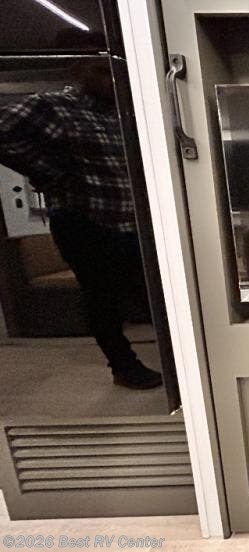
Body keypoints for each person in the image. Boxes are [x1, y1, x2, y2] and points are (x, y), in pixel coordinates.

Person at [0, 59, 163, 389]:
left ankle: (174, 363)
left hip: (129, 220)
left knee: (150, 292)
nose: (110, 80)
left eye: (114, 72)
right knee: (101, 298)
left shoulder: (123, 113)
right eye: (100, 71)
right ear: (78, 71)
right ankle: (123, 365)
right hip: (83, 220)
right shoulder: (53, 106)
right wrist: (45, 170)